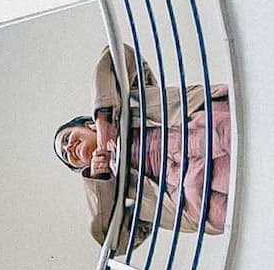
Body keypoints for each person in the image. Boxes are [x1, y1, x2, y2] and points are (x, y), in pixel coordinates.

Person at [53, 44, 230, 245]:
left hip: (199, 127)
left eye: (67, 139)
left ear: (88, 125)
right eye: (67, 156)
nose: (69, 148)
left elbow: (116, 53)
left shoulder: (130, 100)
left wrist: (104, 117)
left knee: (233, 133)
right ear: (82, 168)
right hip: (193, 191)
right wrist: (98, 181)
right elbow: (114, 240)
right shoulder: (119, 191)